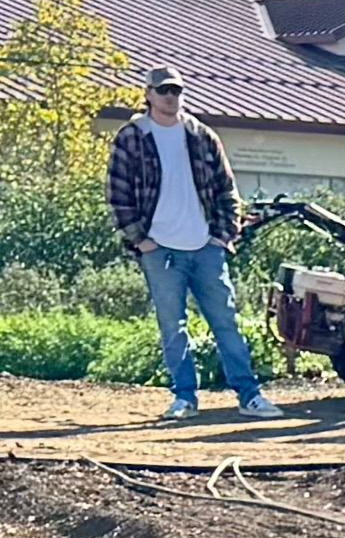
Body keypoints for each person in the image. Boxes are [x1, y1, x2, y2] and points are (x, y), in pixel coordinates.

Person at [105, 64, 276, 422]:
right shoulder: (132, 136)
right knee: (173, 325)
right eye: (163, 90)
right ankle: (184, 397)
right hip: (160, 248)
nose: (170, 97)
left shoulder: (202, 136)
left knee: (226, 320)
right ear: (148, 94)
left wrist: (223, 235)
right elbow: (118, 193)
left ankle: (249, 394)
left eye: (176, 90)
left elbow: (227, 189)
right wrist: (140, 239)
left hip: (205, 245)